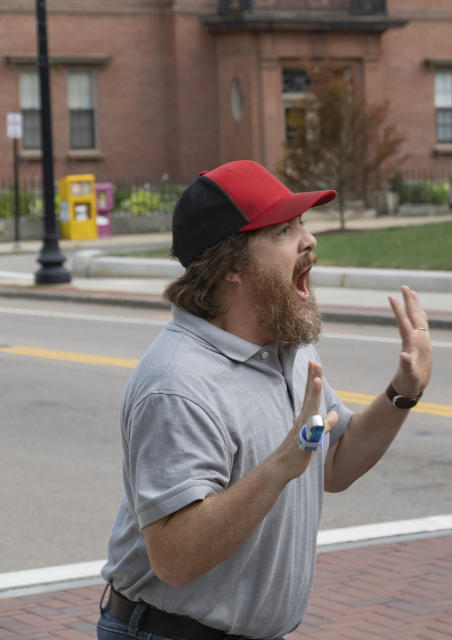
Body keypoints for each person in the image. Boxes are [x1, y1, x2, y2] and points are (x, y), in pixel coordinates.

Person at [97, 160, 433, 640]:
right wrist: (281, 465)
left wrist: (404, 392)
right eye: (283, 230)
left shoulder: (287, 349)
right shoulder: (177, 383)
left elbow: (332, 459)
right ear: (231, 266)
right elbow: (174, 558)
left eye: (302, 224)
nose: (308, 240)